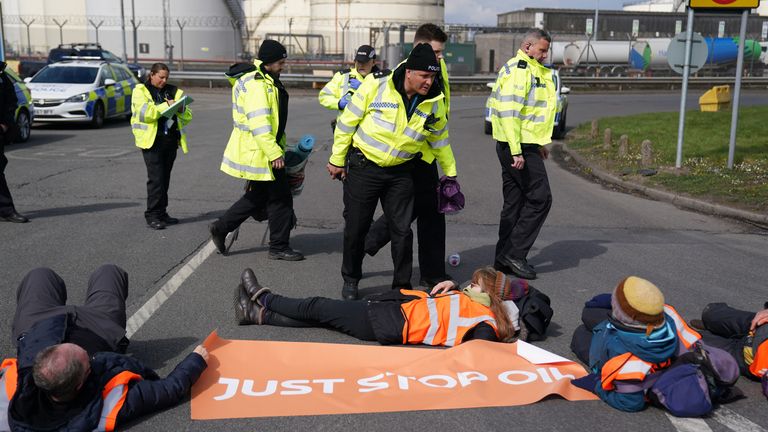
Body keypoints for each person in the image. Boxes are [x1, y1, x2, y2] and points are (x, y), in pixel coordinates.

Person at [0, 265, 208, 430]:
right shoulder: (107, 403)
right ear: (81, 382)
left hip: (38, 325)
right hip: (97, 327)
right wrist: (197, 359)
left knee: (40, 275)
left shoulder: (10, 397)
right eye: (87, 361)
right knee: (109, 272)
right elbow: (169, 390)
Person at [327, 43, 455, 300]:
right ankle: (351, 279)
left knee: (402, 231)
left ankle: (401, 287)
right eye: (424, 76)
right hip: (365, 167)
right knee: (356, 227)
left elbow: (439, 139)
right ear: (409, 72)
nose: (429, 82)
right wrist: (337, 159)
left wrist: (450, 172)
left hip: (400, 172)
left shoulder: (434, 101)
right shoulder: (377, 86)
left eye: (432, 76)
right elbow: (347, 123)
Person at [364, 23, 454, 289]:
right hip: (411, 154)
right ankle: (369, 240)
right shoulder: (407, 73)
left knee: (426, 211)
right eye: (437, 52)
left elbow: (439, 109)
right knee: (414, 211)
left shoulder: (439, 68)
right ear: (419, 48)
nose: (440, 58)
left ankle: (430, 272)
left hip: (428, 153)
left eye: (441, 53)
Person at [233, 266, 520, 346]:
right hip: (390, 312)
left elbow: (481, 350)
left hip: (389, 321)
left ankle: (263, 297)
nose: (470, 286)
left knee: (318, 307)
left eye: (476, 284)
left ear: (490, 295)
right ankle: (257, 314)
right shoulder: (468, 301)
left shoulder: (485, 323)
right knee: (325, 319)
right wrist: (454, 288)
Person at [209, 40, 304, 261]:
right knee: (281, 199)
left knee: (258, 196)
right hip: (261, 151)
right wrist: (274, 153)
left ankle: (221, 228)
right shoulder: (257, 85)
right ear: (269, 61)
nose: (283, 66)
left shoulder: (263, 79)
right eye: (280, 62)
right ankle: (278, 247)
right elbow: (260, 124)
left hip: (261, 149)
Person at [569, 276, 705, 412]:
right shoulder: (668, 315)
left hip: (615, 348)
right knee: (590, 312)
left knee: (581, 332)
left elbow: (630, 403)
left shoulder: (627, 360)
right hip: (636, 332)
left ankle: (607, 315)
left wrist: (596, 386)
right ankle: (612, 307)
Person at [489, 29, 557, 280]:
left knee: (514, 204)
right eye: (541, 49)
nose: (545, 54)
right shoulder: (520, 69)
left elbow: (530, 113)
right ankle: (514, 254)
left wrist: (537, 143)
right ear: (528, 46)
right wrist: (517, 150)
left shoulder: (530, 68)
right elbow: (510, 113)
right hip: (515, 146)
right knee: (540, 199)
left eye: (546, 50)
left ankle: (501, 259)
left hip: (523, 144)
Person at [131, 63, 192, 230]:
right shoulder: (141, 91)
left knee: (165, 179)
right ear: (152, 75)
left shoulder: (173, 91)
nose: (164, 81)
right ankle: (152, 214)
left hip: (170, 141)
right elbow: (147, 114)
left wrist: (180, 109)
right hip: (152, 142)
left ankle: (162, 212)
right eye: (161, 77)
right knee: (156, 179)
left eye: (166, 77)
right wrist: (167, 106)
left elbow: (187, 117)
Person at [691, 303, 768, 384]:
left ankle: (713, 331)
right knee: (710, 313)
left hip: (747, 357)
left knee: (691, 341)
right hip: (759, 324)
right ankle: (713, 327)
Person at [318, 44, 379, 132]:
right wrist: (338, 103)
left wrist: (364, 89)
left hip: (369, 134)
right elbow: (323, 96)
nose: (361, 65)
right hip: (344, 133)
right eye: (359, 62)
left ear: (373, 62)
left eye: (365, 62)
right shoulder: (343, 76)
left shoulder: (381, 80)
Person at [0, 61, 28, 223]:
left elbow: (11, 101)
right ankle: (5, 209)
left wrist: (6, 124)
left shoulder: (2, 76)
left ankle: (6, 210)